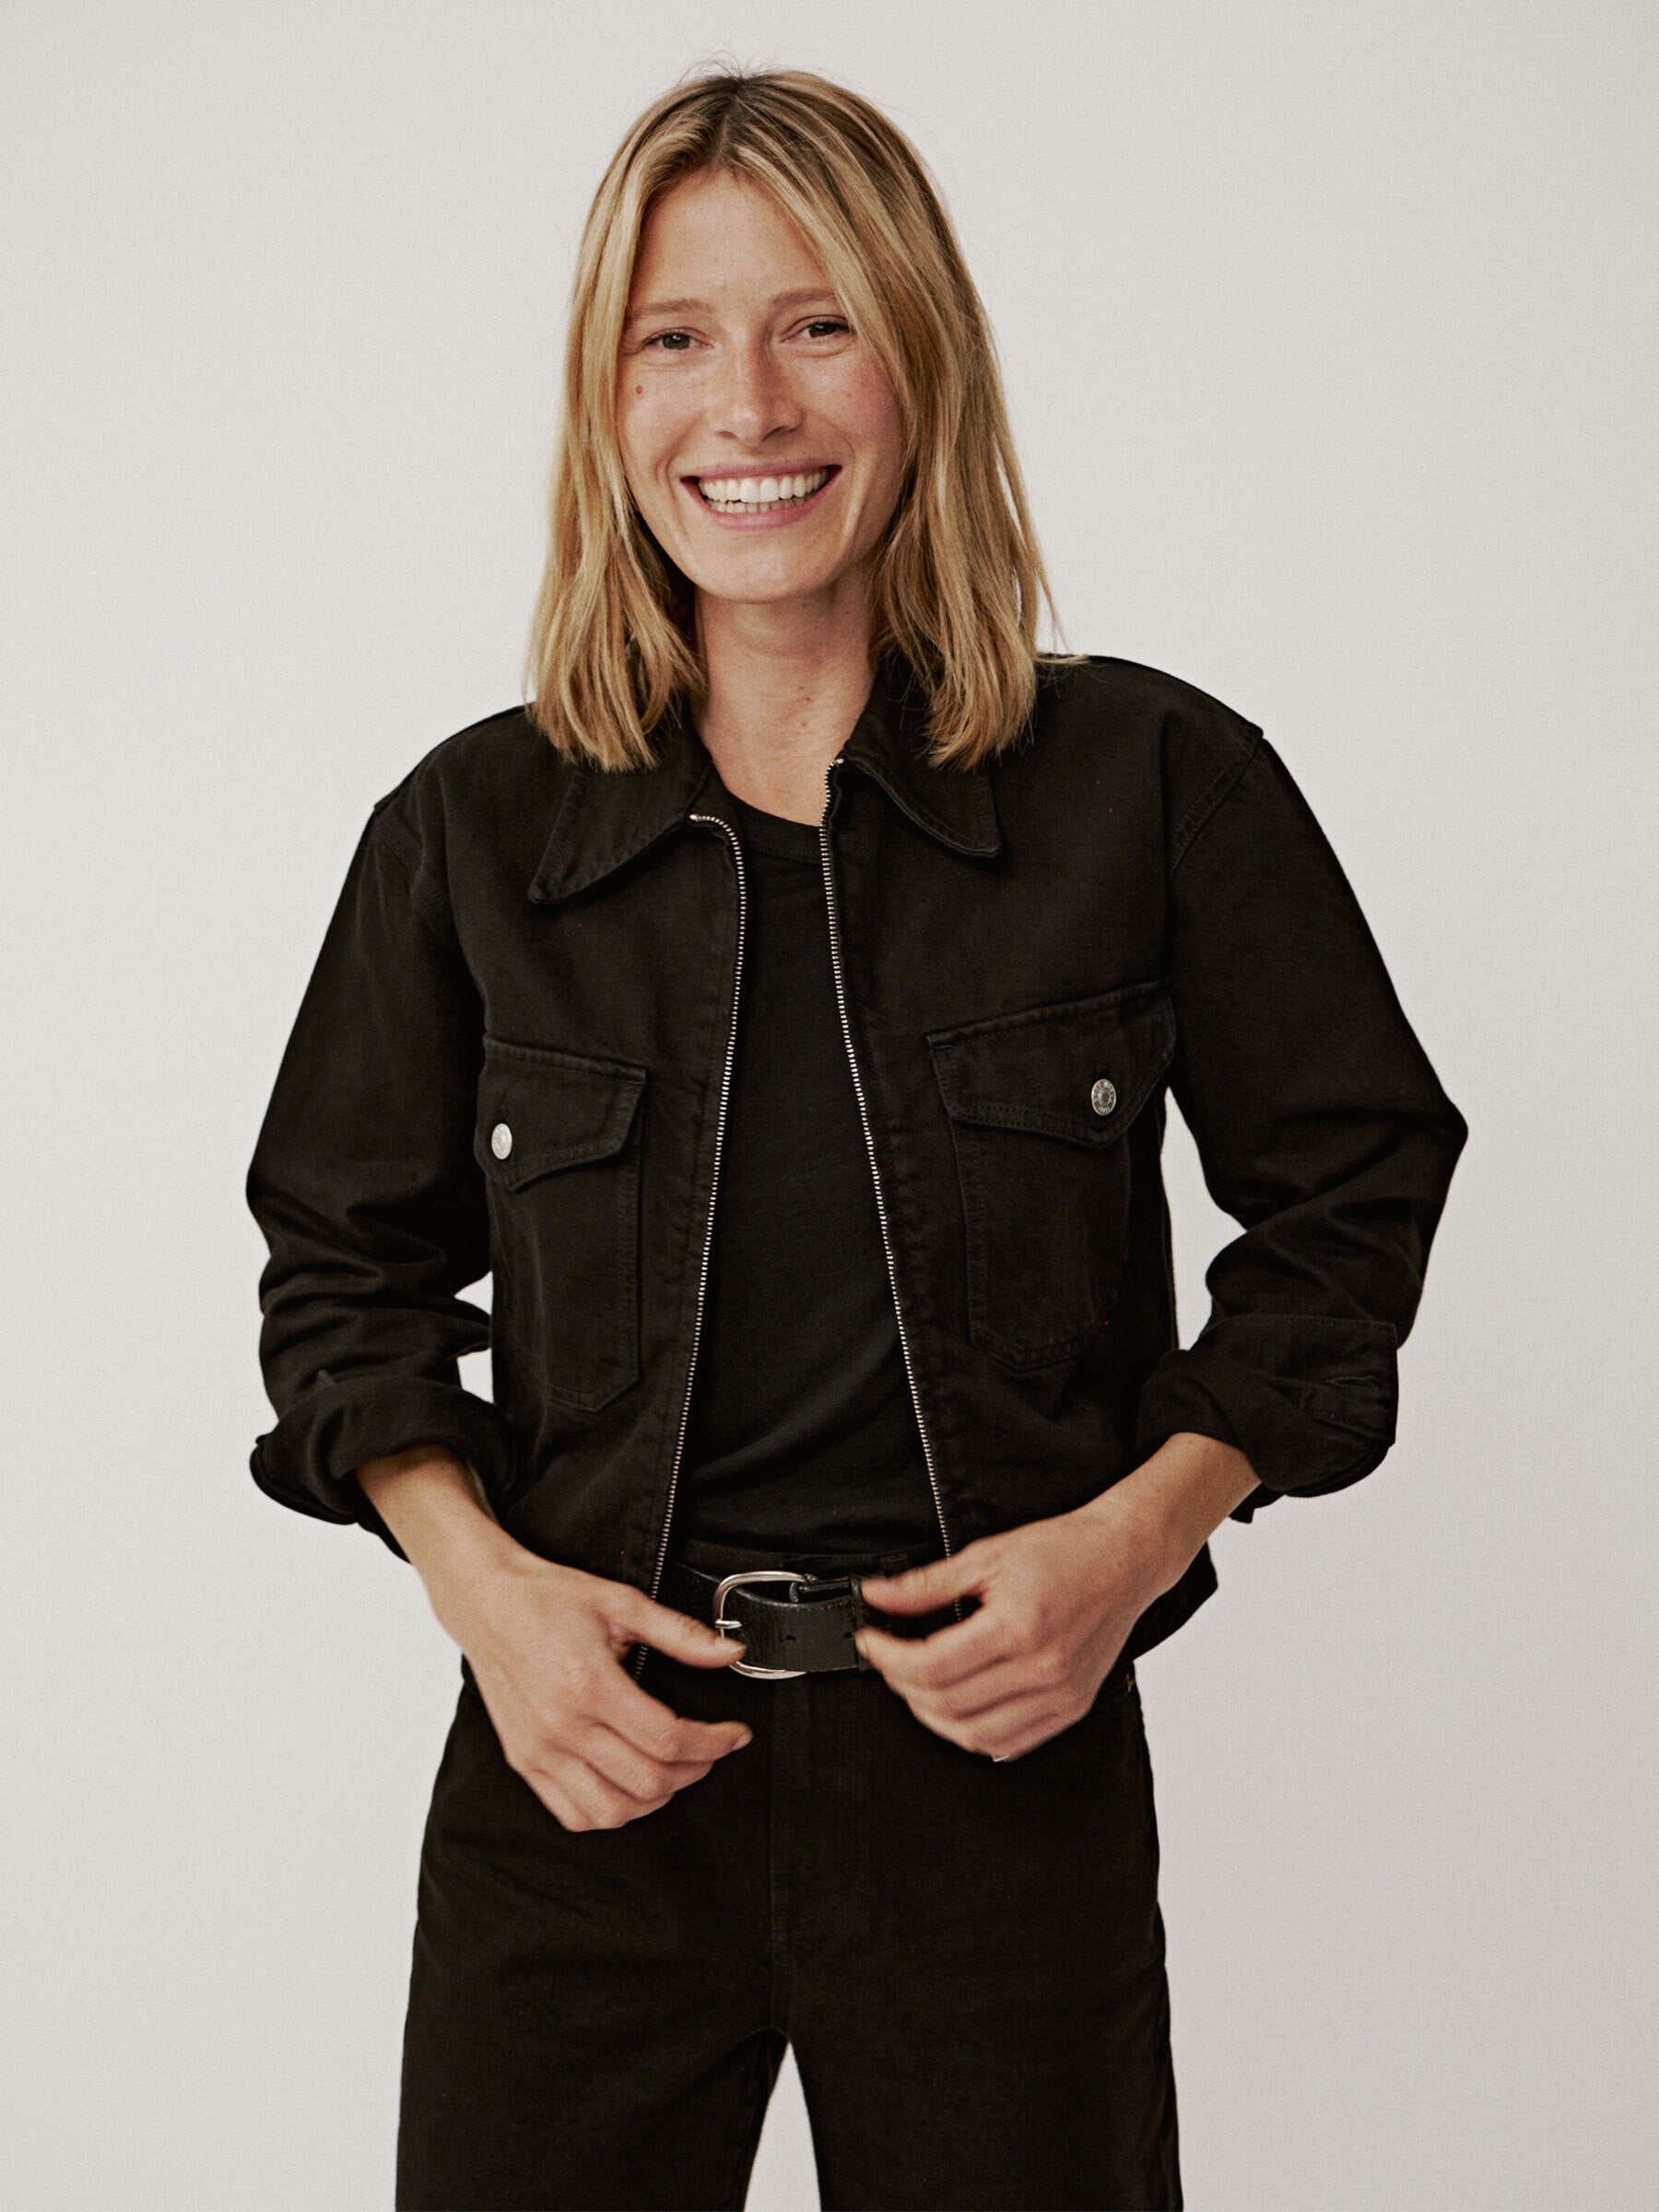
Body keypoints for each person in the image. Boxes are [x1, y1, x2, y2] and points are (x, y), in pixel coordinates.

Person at [244, 65, 1467, 2212]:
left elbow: (1352, 1199)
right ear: (608, 398)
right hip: (586, 1781)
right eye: (675, 337)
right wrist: (487, 1596)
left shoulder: (1155, 785)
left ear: (923, 361)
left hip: (999, 1785)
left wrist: (1135, 1540)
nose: (750, 406)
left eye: (818, 323)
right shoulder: (471, 832)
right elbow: (343, 1270)